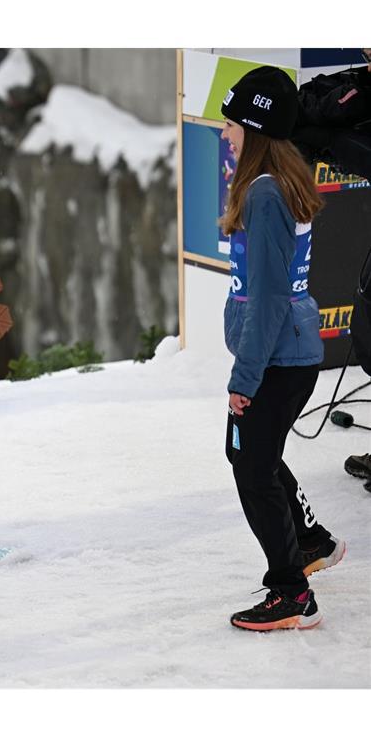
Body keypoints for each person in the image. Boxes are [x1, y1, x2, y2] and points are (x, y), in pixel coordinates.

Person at [218, 66, 346, 632]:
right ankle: (311, 541)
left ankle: (292, 592)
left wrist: (244, 379)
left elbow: (268, 299)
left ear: (254, 128)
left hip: (277, 357)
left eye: (230, 124)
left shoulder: (265, 194)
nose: (224, 134)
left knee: (252, 467)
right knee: (250, 457)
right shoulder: (277, 182)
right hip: (284, 353)